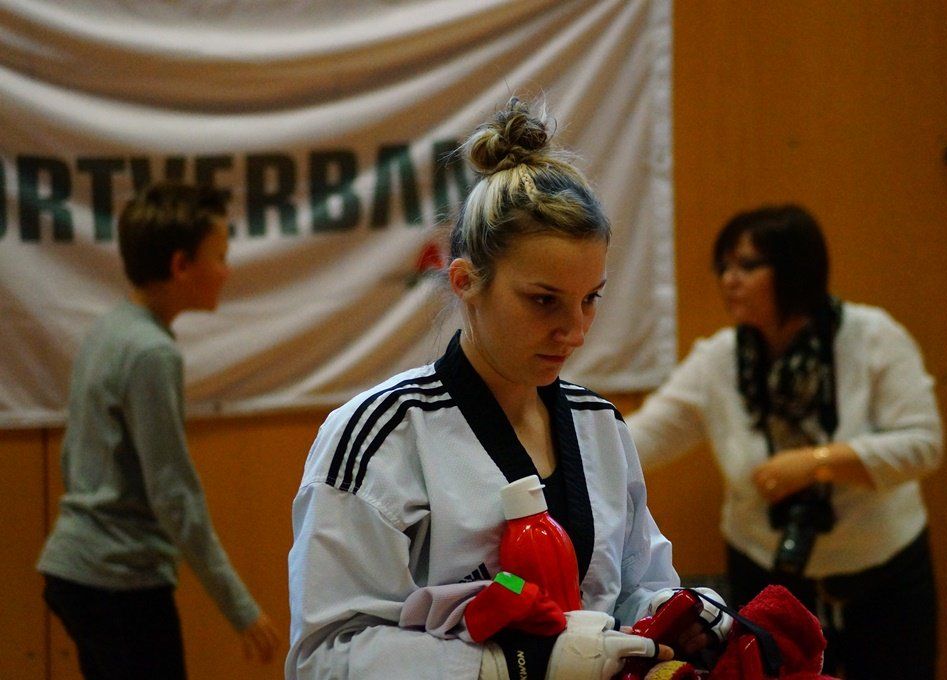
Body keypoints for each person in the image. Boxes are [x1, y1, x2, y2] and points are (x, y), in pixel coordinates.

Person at [286, 98, 732, 680]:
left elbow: (629, 591)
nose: (574, 331)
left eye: (590, 299)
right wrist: (508, 666)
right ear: (465, 281)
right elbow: (325, 656)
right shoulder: (381, 434)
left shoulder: (598, 424)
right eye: (544, 300)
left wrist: (677, 614)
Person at [626, 204, 942, 680]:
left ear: (796, 269)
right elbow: (643, 436)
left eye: (747, 266)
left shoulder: (872, 336)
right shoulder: (719, 359)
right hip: (767, 572)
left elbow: (923, 443)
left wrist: (818, 462)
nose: (729, 280)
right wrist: (569, 447)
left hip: (884, 575)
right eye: (724, 267)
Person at [37, 182, 281, 680]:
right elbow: (174, 495)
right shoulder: (151, 353)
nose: (227, 270)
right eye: (219, 256)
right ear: (180, 265)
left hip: (77, 573)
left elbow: (72, 456)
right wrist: (240, 606)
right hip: (118, 583)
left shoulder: (110, 330)